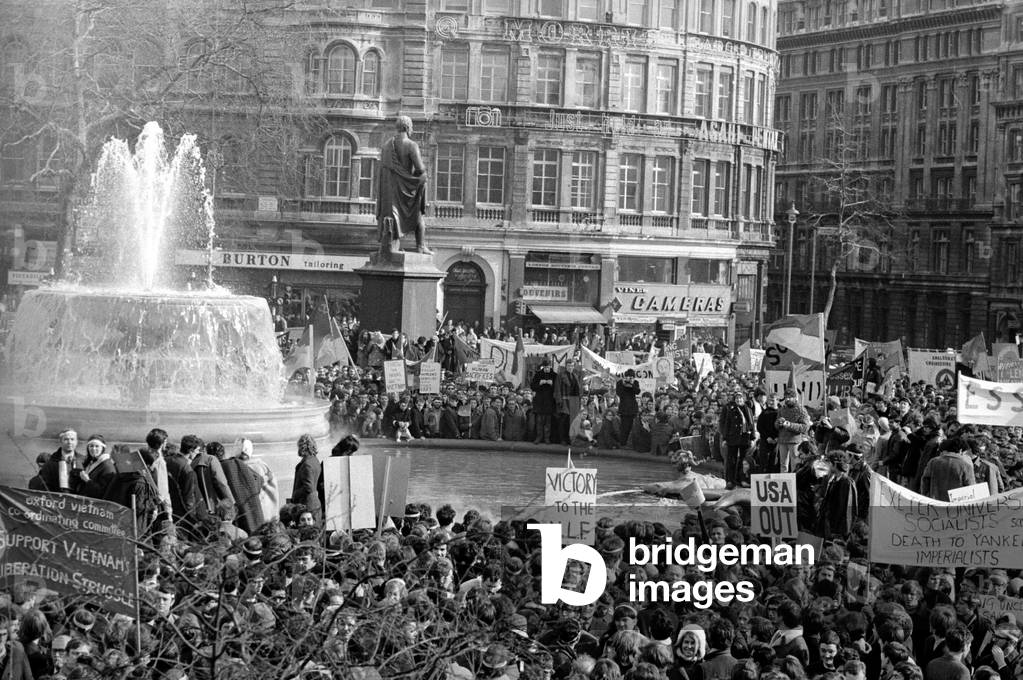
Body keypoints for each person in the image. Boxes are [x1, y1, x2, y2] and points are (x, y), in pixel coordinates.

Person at [376, 115, 432, 255]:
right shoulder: (411, 145)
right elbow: (420, 169)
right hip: (406, 188)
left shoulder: (387, 145)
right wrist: (421, 177)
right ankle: (420, 246)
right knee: (419, 214)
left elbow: (383, 171)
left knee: (391, 217)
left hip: (390, 190)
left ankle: (391, 246)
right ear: (408, 127)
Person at [291, 434, 323, 524]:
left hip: (307, 505)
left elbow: (309, 487)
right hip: (313, 503)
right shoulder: (315, 461)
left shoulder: (307, 465)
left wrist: (296, 494)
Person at [78, 434, 116, 500]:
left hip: (96, 505)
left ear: (102, 448)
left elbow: (103, 492)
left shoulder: (107, 466)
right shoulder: (90, 463)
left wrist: (87, 480)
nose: (93, 449)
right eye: (91, 446)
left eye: (97, 446)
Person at [531, 360, 557, 444]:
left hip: (550, 402)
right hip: (539, 402)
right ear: (543, 367)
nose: (546, 369)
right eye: (545, 367)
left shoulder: (555, 375)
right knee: (539, 421)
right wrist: (539, 383)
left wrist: (552, 384)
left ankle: (547, 438)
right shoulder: (538, 374)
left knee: (548, 422)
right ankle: (538, 437)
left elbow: (558, 389)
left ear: (551, 367)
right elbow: (532, 386)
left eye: (548, 367)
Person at [616, 370, 641, 445]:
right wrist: (624, 385)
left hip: (633, 408)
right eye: (628, 377)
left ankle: (631, 443)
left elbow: (637, 391)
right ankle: (622, 443)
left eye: (632, 377)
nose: (629, 378)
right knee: (624, 427)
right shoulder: (620, 382)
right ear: (625, 376)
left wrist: (632, 384)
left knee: (632, 427)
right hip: (624, 408)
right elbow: (619, 393)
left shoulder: (635, 382)